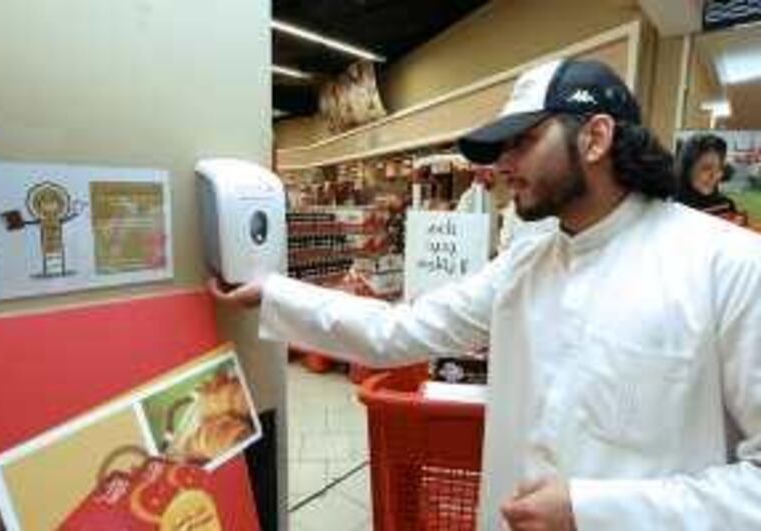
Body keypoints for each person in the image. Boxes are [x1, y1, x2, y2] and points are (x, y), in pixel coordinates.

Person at [209, 58, 761, 530]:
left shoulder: (728, 266)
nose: (501, 166)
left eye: (522, 142)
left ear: (595, 137)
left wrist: (593, 510)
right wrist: (274, 293)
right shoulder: (528, 261)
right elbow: (400, 330)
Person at [674, 133, 738, 215]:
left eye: (719, 168)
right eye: (706, 168)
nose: (714, 176)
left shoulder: (725, 206)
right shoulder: (670, 206)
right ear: (687, 169)